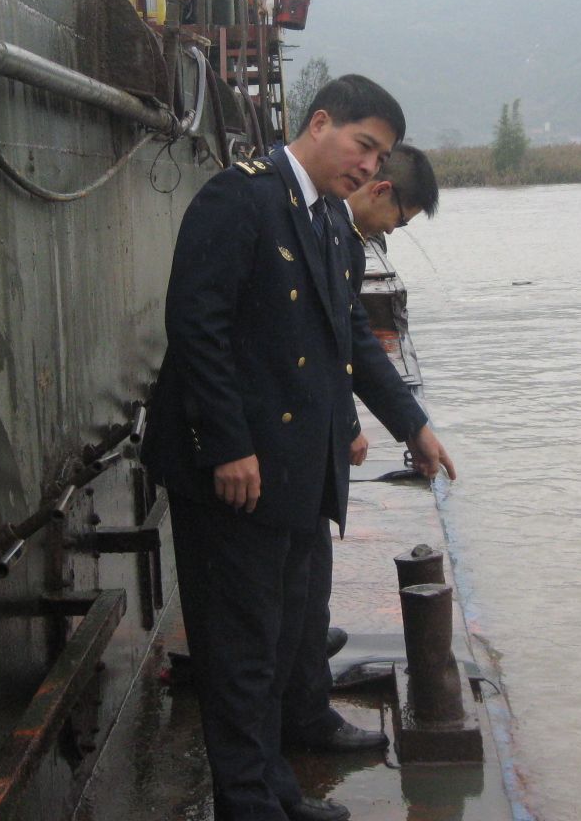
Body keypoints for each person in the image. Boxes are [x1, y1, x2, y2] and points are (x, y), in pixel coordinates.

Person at [142, 76, 455, 821]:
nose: (370, 167)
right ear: (320, 124)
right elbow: (196, 326)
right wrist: (227, 445)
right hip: (236, 473)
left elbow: (346, 337)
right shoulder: (240, 198)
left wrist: (411, 423)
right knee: (240, 653)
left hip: (291, 473)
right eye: (363, 145)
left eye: (380, 155)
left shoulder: (328, 225)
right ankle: (247, 804)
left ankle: (273, 787)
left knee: (280, 644)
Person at [280, 143, 442, 755]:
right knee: (297, 579)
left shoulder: (334, 230)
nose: (392, 234)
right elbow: (340, 338)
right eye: (397, 222)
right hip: (284, 441)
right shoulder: (327, 231)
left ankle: (305, 665)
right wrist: (404, 424)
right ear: (381, 192)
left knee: (309, 573)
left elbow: (337, 345)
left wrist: (357, 420)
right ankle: (304, 712)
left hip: (312, 428)